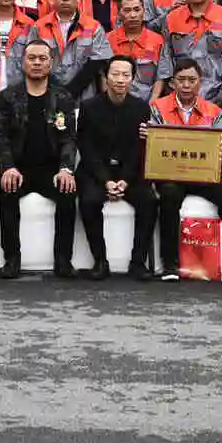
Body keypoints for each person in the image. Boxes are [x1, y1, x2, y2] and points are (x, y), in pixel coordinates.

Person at [149, 59, 222, 284]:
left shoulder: (214, 112)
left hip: (204, 175)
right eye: (181, 80)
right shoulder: (157, 108)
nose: (186, 85)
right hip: (171, 174)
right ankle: (169, 263)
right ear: (172, 83)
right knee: (169, 196)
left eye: (191, 80)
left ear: (200, 82)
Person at [0, 39, 80, 277]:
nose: (37, 63)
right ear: (23, 62)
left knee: (67, 193)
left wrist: (66, 169)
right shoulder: (8, 97)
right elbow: (0, 137)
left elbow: (69, 138)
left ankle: (63, 260)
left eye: (42, 58)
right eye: (32, 58)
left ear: (51, 63)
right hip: (18, 168)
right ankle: (12, 258)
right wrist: (7, 167)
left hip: (52, 169)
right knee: (8, 191)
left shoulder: (63, 97)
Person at [76, 55, 158, 279]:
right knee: (89, 201)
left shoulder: (141, 108)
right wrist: (106, 181)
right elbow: (87, 148)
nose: (120, 79)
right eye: (115, 74)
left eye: (126, 75)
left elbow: (138, 149)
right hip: (96, 171)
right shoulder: (89, 107)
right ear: (106, 77)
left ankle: (138, 262)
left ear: (133, 78)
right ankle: (100, 261)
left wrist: (124, 180)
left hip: (129, 172)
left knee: (149, 201)